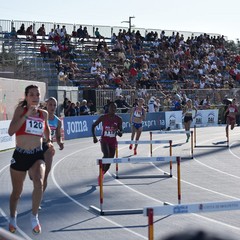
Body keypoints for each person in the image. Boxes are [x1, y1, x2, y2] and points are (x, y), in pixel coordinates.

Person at [8, 85, 53, 234]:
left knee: (39, 182)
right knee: (17, 193)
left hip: (36, 155)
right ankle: (13, 218)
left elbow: (46, 130)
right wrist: (27, 115)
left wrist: (50, 141)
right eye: (32, 95)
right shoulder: (20, 111)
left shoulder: (43, 114)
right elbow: (11, 131)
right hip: (20, 155)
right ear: (26, 97)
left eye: (37, 94)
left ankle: (34, 217)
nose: (35, 97)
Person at [36, 97, 64, 199]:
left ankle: (39, 197)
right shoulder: (40, 116)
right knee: (35, 176)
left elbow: (58, 135)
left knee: (45, 175)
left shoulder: (57, 121)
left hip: (48, 146)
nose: (52, 107)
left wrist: (60, 142)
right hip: (37, 146)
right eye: (50, 105)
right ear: (46, 105)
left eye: (54, 105)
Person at [92, 102, 123, 183]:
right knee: (106, 154)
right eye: (111, 107)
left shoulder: (119, 119)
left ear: (116, 109)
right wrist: (94, 137)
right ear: (108, 108)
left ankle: (102, 174)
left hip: (113, 141)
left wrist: (118, 131)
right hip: (104, 139)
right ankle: (101, 168)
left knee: (110, 161)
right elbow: (93, 125)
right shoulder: (103, 117)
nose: (113, 109)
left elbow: (121, 133)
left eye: (114, 108)